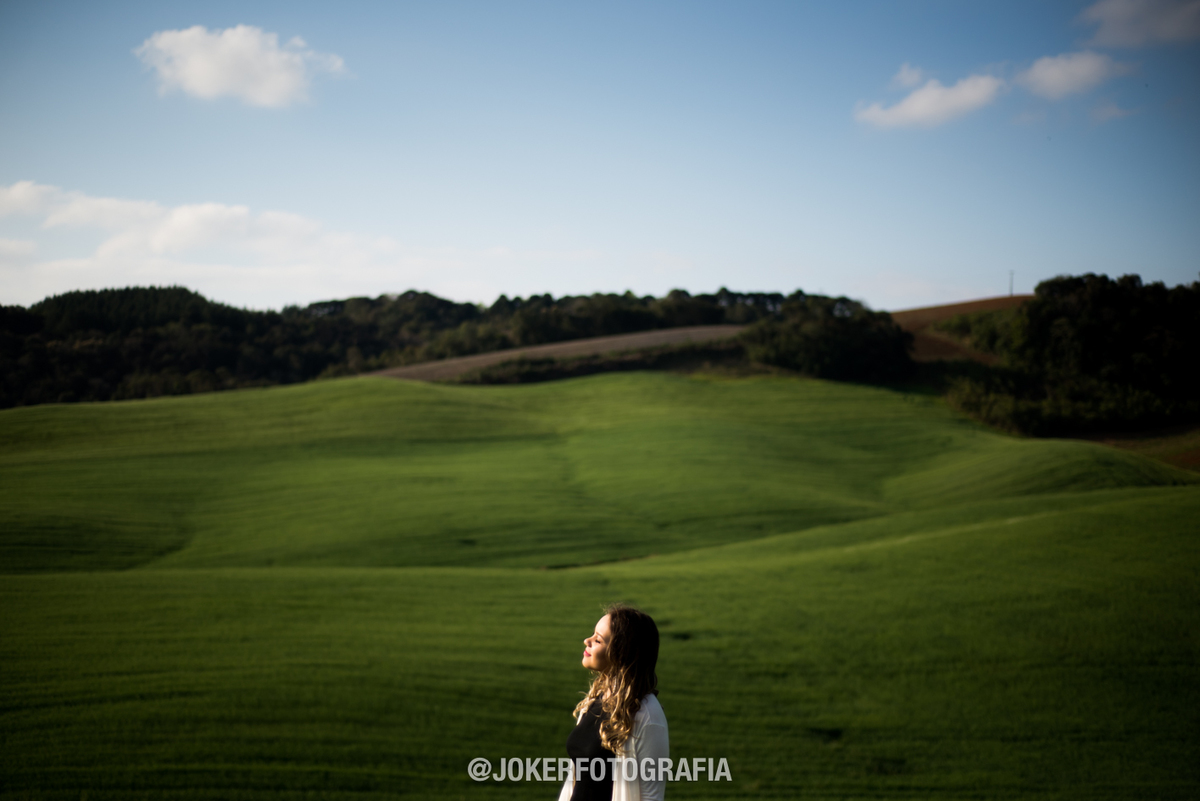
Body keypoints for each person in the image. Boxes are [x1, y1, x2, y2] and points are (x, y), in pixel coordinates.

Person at [558, 604, 669, 801]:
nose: (587, 641)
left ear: (621, 653)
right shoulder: (594, 701)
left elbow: (651, 797)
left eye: (598, 640)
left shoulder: (647, 715)